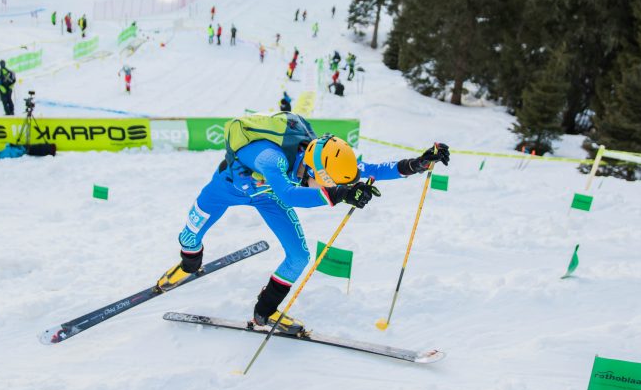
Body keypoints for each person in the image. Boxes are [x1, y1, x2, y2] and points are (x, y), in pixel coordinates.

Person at [157, 112, 451, 332]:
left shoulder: (322, 159)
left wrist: (419, 163)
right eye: (325, 184)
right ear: (315, 171)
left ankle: (264, 311)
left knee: (299, 256)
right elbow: (290, 193)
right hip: (227, 188)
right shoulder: (272, 158)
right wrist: (339, 194)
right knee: (189, 237)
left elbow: (370, 169)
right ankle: (189, 265)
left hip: (267, 197)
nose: (323, 187)